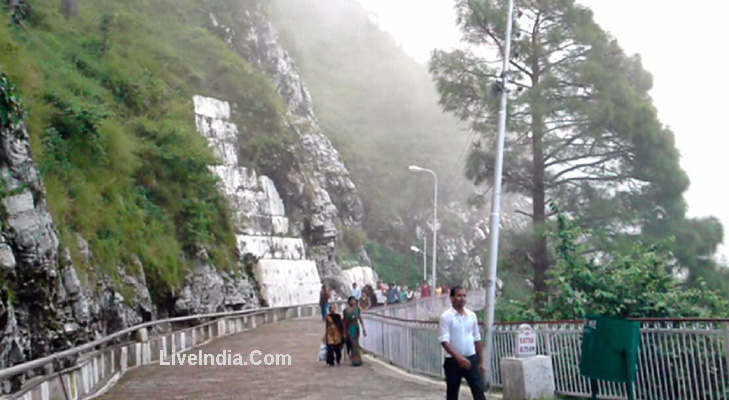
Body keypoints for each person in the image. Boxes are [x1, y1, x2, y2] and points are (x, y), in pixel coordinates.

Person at [438, 286, 486, 400]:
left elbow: (477, 338)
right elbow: (444, 340)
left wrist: (481, 361)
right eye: (459, 296)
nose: (462, 298)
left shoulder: (471, 316)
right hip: (453, 361)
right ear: (452, 298)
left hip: (471, 358)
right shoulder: (446, 317)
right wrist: (458, 358)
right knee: (452, 392)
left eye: (464, 296)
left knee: (478, 390)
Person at [342, 295, 366, 366]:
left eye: (354, 301)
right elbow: (344, 321)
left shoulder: (357, 309)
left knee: (356, 343)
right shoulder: (346, 310)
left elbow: (360, 319)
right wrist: (344, 331)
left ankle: (357, 359)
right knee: (353, 343)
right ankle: (354, 359)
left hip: (356, 328)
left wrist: (364, 328)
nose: (353, 302)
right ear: (349, 302)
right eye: (352, 301)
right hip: (349, 328)